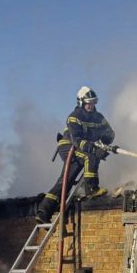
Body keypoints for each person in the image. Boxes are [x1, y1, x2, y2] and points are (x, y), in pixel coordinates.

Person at [36, 86, 116, 223]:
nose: (91, 106)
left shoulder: (99, 117)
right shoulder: (74, 117)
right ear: (81, 102)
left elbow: (110, 133)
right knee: (90, 157)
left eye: (93, 103)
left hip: (83, 149)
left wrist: (104, 144)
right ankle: (91, 189)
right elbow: (77, 140)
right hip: (68, 147)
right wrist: (94, 150)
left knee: (65, 182)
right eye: (88, 103)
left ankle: (43, 212)